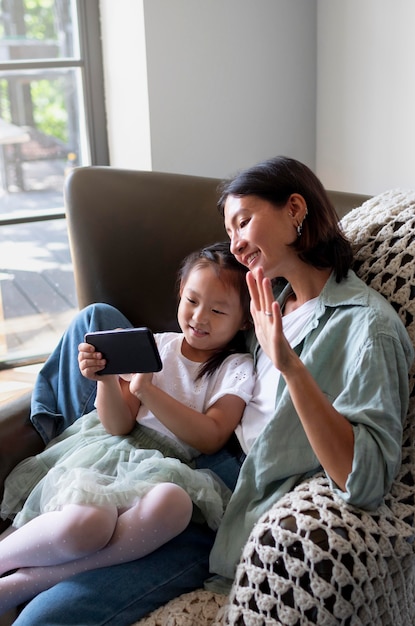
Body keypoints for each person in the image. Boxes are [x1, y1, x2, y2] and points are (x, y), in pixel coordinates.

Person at [7, 156, 414, 626]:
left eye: (244, 222)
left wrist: (290, 367)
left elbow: (364, 480)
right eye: (229, 229)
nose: (236, 244)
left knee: (42, 619)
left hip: (225, 490)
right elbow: (197, 346)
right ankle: (58, 457)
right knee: (96, 319)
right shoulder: (270, 299)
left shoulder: (368, 327)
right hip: (175, 452)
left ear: (295, 210)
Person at [0, 242, 254, 616]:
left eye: (218, 310)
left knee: (176, 504)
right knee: (89, 523)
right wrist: (105, 381)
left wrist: (149, 391)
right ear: (179, 294)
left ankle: (28, 583)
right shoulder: (157, 345)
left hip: (169, 466)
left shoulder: (236, 367)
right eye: (191, 301)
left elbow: (212, 435)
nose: (200, 317)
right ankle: (10, 573)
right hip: (112, 452)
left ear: (244, 321)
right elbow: (117, 424)